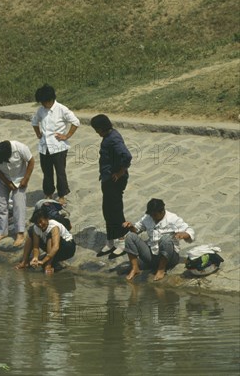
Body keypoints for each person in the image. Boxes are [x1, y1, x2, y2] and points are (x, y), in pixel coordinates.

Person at [90, 114, 132, 259]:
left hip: (115, 180)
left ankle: (122, 242)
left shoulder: (114, 139)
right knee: (107, 210)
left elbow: (127, 156)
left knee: (115, 210)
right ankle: (110, 240)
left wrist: (121, 172)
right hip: (107, 179)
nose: (96, 132)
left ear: (102, 128)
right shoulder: (108, 137)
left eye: (97, 129)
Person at [122, 198, 195, 281]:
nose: (153, 217)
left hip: (170, 258)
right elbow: (137, 230)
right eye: (151, 215)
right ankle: (135, 268)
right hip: (152, 256)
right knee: (130, 236)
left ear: (162, 211)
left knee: (166, 239)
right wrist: (131, 227)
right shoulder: (147, 217)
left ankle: (161, 269)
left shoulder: (173, 218)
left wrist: (184, 235)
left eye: (155, 215)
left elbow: (190, 231)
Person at [31, 84, 80, 205]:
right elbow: (34, 122)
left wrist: (67, 135)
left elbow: (75, 122)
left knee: (60, 171)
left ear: (51, 99)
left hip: (58, 146)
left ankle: (62, 194)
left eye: (44, 102)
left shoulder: (62, 109)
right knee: (47, 172)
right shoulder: (41, 110)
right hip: (44, 147)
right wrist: (38, 134)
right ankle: (48, 192)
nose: (42, 104)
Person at [0, 140, 34, 246]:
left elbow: (31, 161)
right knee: (1, 204)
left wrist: (25, 179)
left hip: (19, 179)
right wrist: (7, 182)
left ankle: (20, 233)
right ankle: (2, 232)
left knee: (19, 204)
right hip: (3, 179)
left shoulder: (21, 148)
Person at [16, 207, 76, 274]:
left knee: (49, 237)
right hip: (53, 248)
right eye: (37, 223)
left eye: (41, 221)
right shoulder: (36, 228)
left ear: (47, 218)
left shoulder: (54, 226)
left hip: (67, 248)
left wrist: (43, 261)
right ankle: (24, 262)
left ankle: (48, 265)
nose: (40, 225)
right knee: (31, 234)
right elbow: (36, 246)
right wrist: (35, 258)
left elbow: (56, 247)